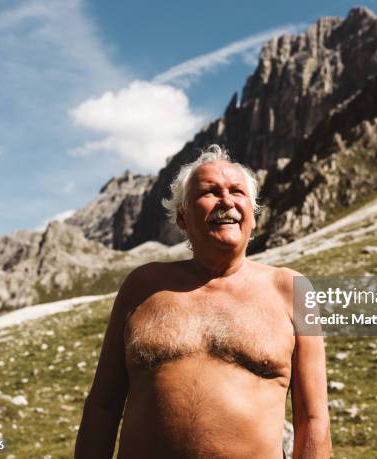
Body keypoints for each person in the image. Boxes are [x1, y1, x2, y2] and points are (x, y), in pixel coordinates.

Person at [75, 144, 331, 458]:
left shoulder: (291, 289)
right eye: (210, 192)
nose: (226, 201)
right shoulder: (143, 286)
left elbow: (313, 419)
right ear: (182, 217)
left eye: (237, 191)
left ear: (253, 215)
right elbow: (103, 405)